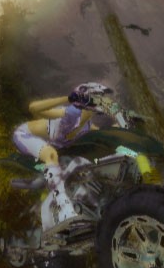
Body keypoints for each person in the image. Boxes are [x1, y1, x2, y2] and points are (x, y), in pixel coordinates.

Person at [11, 82, 131, 230]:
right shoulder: (70, 113)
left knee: (73, 167)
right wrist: (67, 99)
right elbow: (34, 108)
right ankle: (65, 209)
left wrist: (125, 124)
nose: (101, 101)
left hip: (49, 146)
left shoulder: (88, 126)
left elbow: (105, 133)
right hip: (24, 135)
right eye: (97, 98)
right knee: (51, 154)